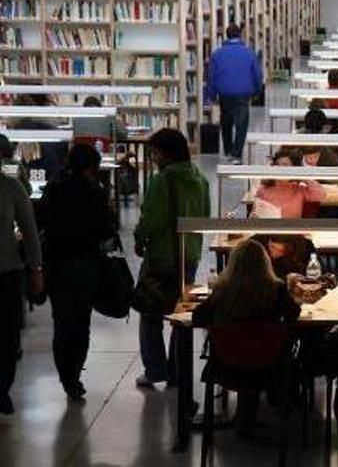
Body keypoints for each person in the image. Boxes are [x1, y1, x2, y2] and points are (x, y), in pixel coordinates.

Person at [192, 239, 300, 437]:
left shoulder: (222, 290)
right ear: (265, 262)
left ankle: (243, 421)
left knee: (243, 354)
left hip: (226, 364)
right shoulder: (276, 290)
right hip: (268, 364)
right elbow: (294, 314)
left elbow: (198, 317)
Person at [134, 128, 210, 388]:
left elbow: (151, 219)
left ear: (165, 154)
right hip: (189, 255)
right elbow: (205, 219)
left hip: (161, 257)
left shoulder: (162, 181)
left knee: (150, 313)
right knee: (180, 315)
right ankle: (177, 371)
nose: (153, 158)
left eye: (155, 153)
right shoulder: (200, 179)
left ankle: (155, 370)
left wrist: (138, 238)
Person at [39, 144, 116, 401]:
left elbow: (43, 222)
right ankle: (75, 376)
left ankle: (66, 377)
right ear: (90, 167)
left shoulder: (53, 187)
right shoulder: (94, 192)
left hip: (56, 264)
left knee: (61, 322)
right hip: (85, 264)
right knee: (82, 322)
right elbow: (106, 229)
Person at [0, 156, 42, 414]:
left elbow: (30, 230)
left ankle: (2, 389)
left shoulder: (12, 188)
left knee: (7, 336)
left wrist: (36, 268)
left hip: (7, 272)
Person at [207, 23, 263, 164]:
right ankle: (236, 155)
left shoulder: (217, 54)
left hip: (225, 93)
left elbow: (211, 76)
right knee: (241, 124)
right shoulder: (249, 52)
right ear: (240, 35)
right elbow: (257, 74)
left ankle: (227, 150)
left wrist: (212, 96)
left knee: (226, 121)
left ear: (226, 35)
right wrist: (257, 91)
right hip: (243, 93)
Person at [254, 149, 326, 218]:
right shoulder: (263, 189)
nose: (280, 169)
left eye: (285, 165)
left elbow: (321, 194)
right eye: (277, 165)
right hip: (270, 228)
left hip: (292, 228)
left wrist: (303, 177)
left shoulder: (298, 189)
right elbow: (256, 213)